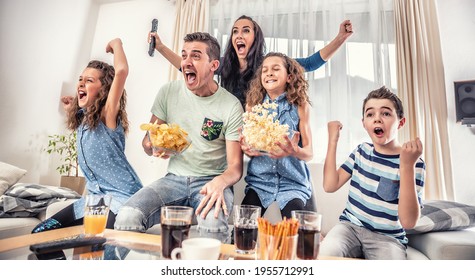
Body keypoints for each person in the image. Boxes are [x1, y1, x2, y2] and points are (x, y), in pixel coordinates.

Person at [114, 32, 244, 237]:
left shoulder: (231, 106)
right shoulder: (168, 92)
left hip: (210, 182)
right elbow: (148, 142)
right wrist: (153, 146)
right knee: (126, 216)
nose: (187, 62)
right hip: (173, 180)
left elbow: (235, 167)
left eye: (196, 56)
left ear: (214, 65)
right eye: (184, 56)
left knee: (213, 226)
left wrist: (220, 182)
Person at [32, 38, 143, 233]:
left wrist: (116, 44)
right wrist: (70, 109)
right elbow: (86, 131)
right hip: (93, 201)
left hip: (121, 199)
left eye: (89, 81)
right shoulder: (83, 121)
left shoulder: (108, 115)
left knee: (96, 242)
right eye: (80, 79)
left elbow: (122, 72)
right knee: (40, 232)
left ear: (104, 90)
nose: (81, 84)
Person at [150, 15, 353, 108]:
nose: (239, 35)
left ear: (255, 38)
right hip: (230, 128)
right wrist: (160, 47)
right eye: (235, 31)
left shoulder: (268, 66)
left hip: (257, 133)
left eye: (246, 30)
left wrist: (340, 38)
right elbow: (189, 67)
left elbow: (310, 63)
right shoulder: (224, 64)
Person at [320, 86, 426, 260]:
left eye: (385, 113)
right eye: (370, 114)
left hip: (388, 238)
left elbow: (408, 222)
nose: (377, 119)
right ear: (364, 123)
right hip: (349, 228)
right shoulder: (361, 151)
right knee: (324, 256)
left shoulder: (415, 162)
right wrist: (333, 140)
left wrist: (406, 166)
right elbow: (330, 185)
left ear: (400, 122)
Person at [239, 52, 313, 219]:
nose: (269, 73)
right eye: (264, 70)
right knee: (242, 231)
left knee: (298, 236)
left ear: (289, 77)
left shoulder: (300, 106)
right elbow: (248, 146)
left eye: (275, 69)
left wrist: (294, 151)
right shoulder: (253, 105)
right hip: (260, 182)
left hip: (292, 184)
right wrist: (246, 149)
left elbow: (309, 153)